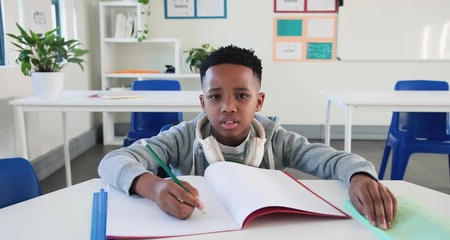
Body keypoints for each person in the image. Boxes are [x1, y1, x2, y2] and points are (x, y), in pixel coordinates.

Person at [98, 45, 397, 229]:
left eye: (242, 95)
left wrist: (360, 176)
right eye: (215, 97)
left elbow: (333, 159)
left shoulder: (277, 140)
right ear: (202, 103)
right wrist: (151, 185)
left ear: (259, 101)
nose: (228, 106)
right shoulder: (181, 138)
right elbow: (113, 160)